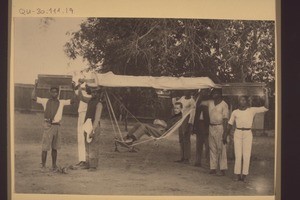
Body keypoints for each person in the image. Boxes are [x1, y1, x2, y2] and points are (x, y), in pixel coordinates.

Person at [225, 88, 269, 182]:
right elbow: (229, 124)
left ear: (246, 101)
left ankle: (244, 175)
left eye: (244, 100)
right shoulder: (235, 112)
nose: (242, 101)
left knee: (246, 155)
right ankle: (237, 175)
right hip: (238, 133)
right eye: (241, 100)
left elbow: (266, 107)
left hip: (248, 134)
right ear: (239, 102)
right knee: (238, 155)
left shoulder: (251, 110)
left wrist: (267, 94)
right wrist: (225, 135)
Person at [31, 82, 75, 172]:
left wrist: (73, 89)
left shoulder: (61, 102)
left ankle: (54, 165)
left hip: (57, 126)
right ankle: (43, 165)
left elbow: (73, 100)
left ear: (58, 93)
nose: (54, 93)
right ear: (50, 92)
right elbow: (33, 97)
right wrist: (35, 86)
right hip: (48, 125)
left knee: (55, 147)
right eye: (52, 92)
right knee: (45, 147)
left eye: (55, 92)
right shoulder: (45, 101)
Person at [201, 89, 229, 176]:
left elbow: (225, 119)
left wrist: (225, 133)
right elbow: (200, 102)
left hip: (220, 127)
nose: (214, 95)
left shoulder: (224, 104)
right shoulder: (210, 102)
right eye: (213, 93)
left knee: (221, 148)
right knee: (212, 148)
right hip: (211, 126)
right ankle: (213, 168)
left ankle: (223, 169)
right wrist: (202, 91)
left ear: (220, 94)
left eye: (216, 93)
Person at [77, 84, 103, 171]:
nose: (94, 94)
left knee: (93, 146)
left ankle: (93, 166)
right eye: (93, 92)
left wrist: (93, 130)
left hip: (93, 126)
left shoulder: (99, 104)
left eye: (96, 92)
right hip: (87, 124)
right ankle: (88, 163)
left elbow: (97, 119)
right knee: (87, 145)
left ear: (99, 94)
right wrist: (79, 88)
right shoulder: (90, 101)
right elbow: (81, 97)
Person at [172, 91, 196, 164]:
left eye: (188, 90)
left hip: (187, 119)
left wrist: (190, 123)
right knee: (181, 138)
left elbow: (192, 113)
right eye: (185, 90)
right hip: (181, 119)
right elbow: (175, 104)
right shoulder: (182, 98)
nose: (186, 92)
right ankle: (182, 157)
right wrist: (174, 98)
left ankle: (187, 158)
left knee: (186, 139)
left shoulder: (192, 101)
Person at [74, 79, 92, 167]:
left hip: (87, 116)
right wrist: (79, 83)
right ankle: (82, 159)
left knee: (87, 138)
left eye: (88, 86)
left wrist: (82, 83)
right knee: (80, 138)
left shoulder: (92, 96)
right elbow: (75, 90)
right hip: (81, 115)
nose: (86, 88)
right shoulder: (84, 92)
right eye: (86, 86)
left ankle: (88, 160)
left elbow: (80, 97)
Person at [193, 103, 210, 167]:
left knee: (207, 146)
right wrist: (194, 128)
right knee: (198, 146)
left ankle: (208, 162)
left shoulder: (208, 107)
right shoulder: (198, 108)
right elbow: (195, 118)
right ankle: (198, 161)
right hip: (199, 127)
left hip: (206, 127)